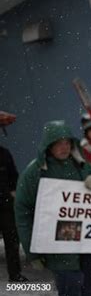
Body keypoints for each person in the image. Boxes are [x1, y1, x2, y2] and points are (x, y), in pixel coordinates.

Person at [15, 120, 91, 296]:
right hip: (56, 245)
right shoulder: (35, 172)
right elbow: (23, 212)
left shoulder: (80, 165)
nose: (64, 147)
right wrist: (33, 253)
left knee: (87, 289)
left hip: (83, 245)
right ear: (49, 145)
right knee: (71, 286)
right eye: (59, 143)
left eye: (67, 143)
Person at [0, 111, 28, 282]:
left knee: (12, 240)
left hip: (5, 205)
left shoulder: (4, 154)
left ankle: (15, 275)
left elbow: (14, 178)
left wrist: (14, 193)